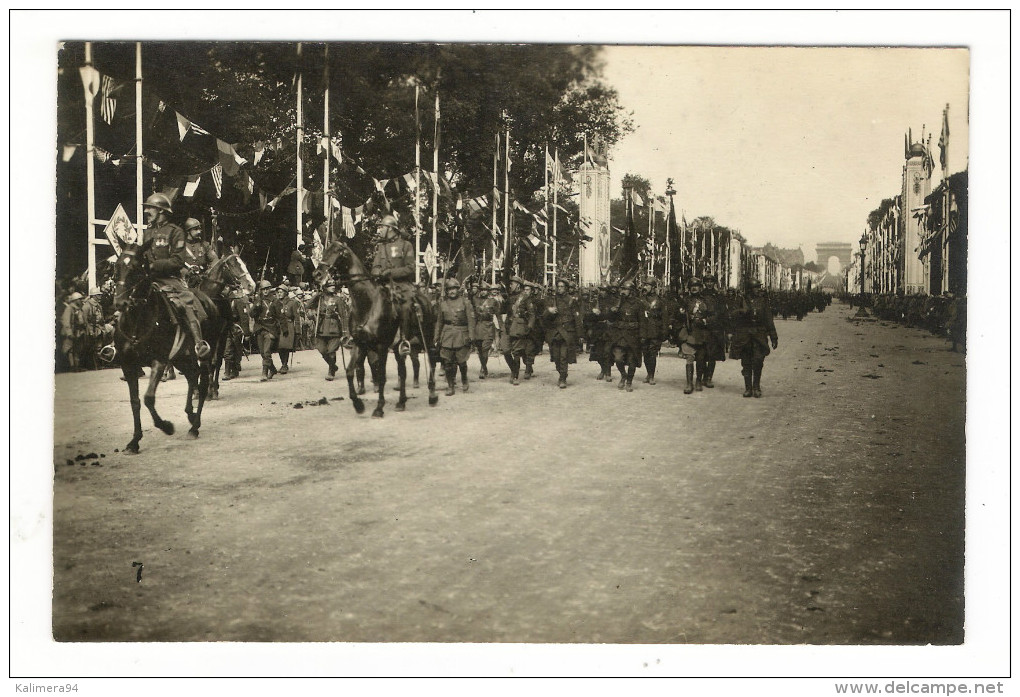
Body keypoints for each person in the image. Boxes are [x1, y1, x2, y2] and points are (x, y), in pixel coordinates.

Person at [140, 193, 211, 359]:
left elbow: (178, 261)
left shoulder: (176, 232)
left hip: (170, 279)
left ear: (161, 211)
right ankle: (121, 346)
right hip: (149, 278)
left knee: (185, 303)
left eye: (150, 208)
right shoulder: (147, 232)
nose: (147, 211)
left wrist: (154, 265)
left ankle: (199, 343)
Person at [371, 215, 419, 353]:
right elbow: (375, 266)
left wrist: (390, 272)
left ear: (390, 229)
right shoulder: (381, 247)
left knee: (407, 305)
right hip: (383, 285)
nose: (379, 230)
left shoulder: (406, 245)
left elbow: (411, 268)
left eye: (382, 227)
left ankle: (404, 339)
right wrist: (377, 272)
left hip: (402, 284)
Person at [729, 279, 778, 398]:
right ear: (750, 289)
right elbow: (732, 314)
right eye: (756, 288)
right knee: (746, 362)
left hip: (759, 335)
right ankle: (748, 388)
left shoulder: (763, 301)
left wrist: (773, 337)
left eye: (759, 287)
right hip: (744, 335)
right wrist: (742, 311)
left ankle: (756, 387)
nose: (759, 289)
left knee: (758, 361)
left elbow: (768, 319)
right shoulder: (741, 300)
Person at [434, 278, 477, 395]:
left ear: (458, 290)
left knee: (461, 361)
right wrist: (436, 337)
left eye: (454, 289)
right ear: (446, 291)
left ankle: (464, 379)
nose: (452, 291)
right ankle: (450, 385)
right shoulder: (443, 304)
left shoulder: (465, 302)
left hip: (461, 335)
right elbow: (439, 322)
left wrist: (471, 336)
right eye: (449, 289)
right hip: (447, 335)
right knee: (447, 362)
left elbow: (471, 320)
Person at [543, 278, 584, 388]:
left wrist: (580, 335)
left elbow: (577, 318)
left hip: (567, 332)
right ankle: (562, 372)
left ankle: (562, 378)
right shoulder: (551, 300)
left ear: (566, 288)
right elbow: (543, 317)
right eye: (558, 286)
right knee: (556, 357)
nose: (560, 289)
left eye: (562, 287)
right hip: (555, 332)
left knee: (563, 356)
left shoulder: (571, 300)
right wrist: (549, 311)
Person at [605, 279, 645, 392]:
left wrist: (642, 336)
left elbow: (642, 321)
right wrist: (613, 311)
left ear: (631, 291)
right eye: (622, 289)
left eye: (625, 289)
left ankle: (629, 381)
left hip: (633, 335)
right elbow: (611, 319)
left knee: (632, 361)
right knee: (618, 358)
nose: (622, 291)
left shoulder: (638, 303)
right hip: (620, 335)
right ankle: (623, 375)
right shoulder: (619, 302)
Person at [676, 276, 713, 394]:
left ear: (700, 288)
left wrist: (705, 321)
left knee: (701, 359)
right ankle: (689, 384)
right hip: (690, 333)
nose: (694, 288)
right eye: (692, 287)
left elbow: (713, 315)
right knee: (689, 358)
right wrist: (681, 315)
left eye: (696, 286)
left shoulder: (706, 300)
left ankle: (698, 381)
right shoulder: (685, 301)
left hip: (702, 333)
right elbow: (677, 316)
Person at [305, 277, 347, 380]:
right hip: (321, 327)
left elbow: (343, 316)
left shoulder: (338, 300)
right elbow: (308, 305)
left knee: (331, 351)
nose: (332, 287)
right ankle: (333, 366)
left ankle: (331, 371)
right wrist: (316, 295)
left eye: (333, 286)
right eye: (329, 286)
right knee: (322, 350)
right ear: (325, 287)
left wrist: (345, 331)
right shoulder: (320, 299)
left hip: (334, 328)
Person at [501, 276, 534, 385]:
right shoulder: (510, 297)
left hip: (519, 327)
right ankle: (513, 369)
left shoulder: (525, 297)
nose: (510, 285)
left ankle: (515, 376)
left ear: (518, 285)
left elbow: (531, 314)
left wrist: (528, 327)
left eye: (512, 284)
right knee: (505, 350)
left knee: (516, 352)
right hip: (508, 325)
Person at [701, 274, 728, 388]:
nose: (709, 284)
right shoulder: (701, 295)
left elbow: (723, 312)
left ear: (714, 283)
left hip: (715, 328)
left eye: (711, 282)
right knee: (701, 354)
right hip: (703, 328)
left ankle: (708, 378)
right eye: (707, 282)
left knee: (712, 355)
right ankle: (703, 375)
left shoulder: (719, 296)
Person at [638, 277, 666, 385]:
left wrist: (663, 332)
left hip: (654, 330)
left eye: (647, 285)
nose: (645, 287)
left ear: (653, 288)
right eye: (645, 285)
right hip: (643, 330)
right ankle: (648, 373)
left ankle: (652, 376)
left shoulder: (660, 301)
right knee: (645, 353)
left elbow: (664, 317)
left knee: (652, 354)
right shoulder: (641, 300)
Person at [471, 282, 502, 379]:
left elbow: (498, 315)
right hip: (478, 327)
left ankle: (482, 368)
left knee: (485, 348)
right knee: (480, 350)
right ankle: (484, 366)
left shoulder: (493, 302)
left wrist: (502, 328)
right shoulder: (475, 300)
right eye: (482, 290)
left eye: (485, 290)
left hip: (488, 326)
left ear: (488, 291)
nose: (483, 292)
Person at [252, 280, 281, 381]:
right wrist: (256, 306)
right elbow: (251, 314)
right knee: (262, 352)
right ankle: (272, 369)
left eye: (267, 289)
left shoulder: (275, 301)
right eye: (263, 289)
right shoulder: (258, 300)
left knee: (266, 351)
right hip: (260, 328)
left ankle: (264, 373)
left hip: (270, 328)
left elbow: (280, 317)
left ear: (270, 289)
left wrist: (281, 331)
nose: (265, 291)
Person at [221, 286, 251, 381]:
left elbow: (244, 318)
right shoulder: (223, 300)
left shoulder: (237, 301)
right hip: (225, 329)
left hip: (236, 329)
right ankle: (228, 371)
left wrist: (246, 333)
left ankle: (234, 369)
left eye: (225, 288)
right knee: (228, 350)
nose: (223, 290)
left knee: (237, 350)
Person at [181, 218, 219, 287]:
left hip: (203, 280)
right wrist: (185, 272)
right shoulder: (181, 246)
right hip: (185, 281)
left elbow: (215, 260)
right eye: (195, 229)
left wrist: (209, 271)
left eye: (199, 229)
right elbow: (175, 263)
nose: (199, 231)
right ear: (188, 231)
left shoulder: (204, 245)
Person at [275, 284, 300, 374]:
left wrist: (298, 330)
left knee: (285, 346)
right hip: (278, 326)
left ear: (285, 293)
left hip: (288, 326)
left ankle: (284, 365)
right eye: (278, 292)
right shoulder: (276, 302)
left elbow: (297, 317)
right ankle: (283, 364)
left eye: (281, 292)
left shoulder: (292, 303)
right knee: (279, 347)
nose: (279, 294)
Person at [60, 291, 85, 371]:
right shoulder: (69, 308)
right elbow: (66, 321)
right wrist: (69, 333)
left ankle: (77, 366)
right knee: (70, 349)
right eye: (79, 299)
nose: (81, 301)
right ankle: (72, 366)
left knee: (77, 349)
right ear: (75, 300)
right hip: (70, 331)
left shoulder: (79, 309)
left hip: (77, 331)